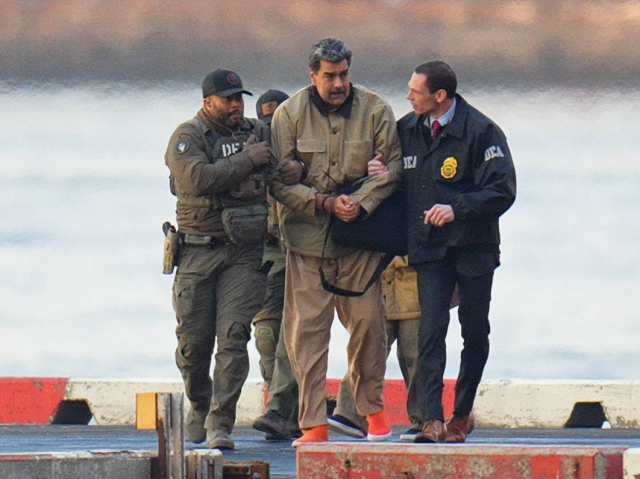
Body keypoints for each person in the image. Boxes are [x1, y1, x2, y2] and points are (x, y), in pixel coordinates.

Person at [269, 38, 403, 447]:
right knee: (307, 335)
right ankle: (313, 424)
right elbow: (277, 182)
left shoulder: (376, 110)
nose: (339, 83)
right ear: (313, 76)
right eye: (329, 76)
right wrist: (324, 202)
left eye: (344, 74)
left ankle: (372, 413)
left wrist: (360, 202)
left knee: (369, 326)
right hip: (307, 243)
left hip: (360, 241)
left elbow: (393, 169)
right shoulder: (288, 115)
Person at [398, 61, 516, 443]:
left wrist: (457, 208)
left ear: (440, 95)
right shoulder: (407, 130)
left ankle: (461, 414)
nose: (408, 96)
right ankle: (431, 419)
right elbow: (392, 178)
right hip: (430, 247)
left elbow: (502, 190)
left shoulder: (482, 131)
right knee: (430, 331)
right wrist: (377, 168)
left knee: (474, 331)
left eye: (416, 91)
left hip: (474, 246)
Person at [164, 68, 274, 451]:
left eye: (239, 98)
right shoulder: (188, 137)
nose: (235, 105)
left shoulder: (256, 133)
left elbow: (281, 170)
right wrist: (247, 160)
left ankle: (220, 424)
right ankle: (199, 401)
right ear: (207, 102)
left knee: (234, 338)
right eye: (227, 99)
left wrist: (294, 169)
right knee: (193, 347)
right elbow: (197, 180)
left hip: (244, 253)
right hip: (197, 252)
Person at [328, 255, 460, 442]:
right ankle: (352, 412)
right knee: (369, 348)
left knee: (415, 354)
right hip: (381, 284)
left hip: (415, 287)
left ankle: (424, 420)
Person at [251, 89, 302, 441]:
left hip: (300, 248)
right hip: (265, 252)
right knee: (267, 334)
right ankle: (281, 409)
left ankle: (283, 408)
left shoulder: (302, 152)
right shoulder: (251, 154)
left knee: (294, 333)